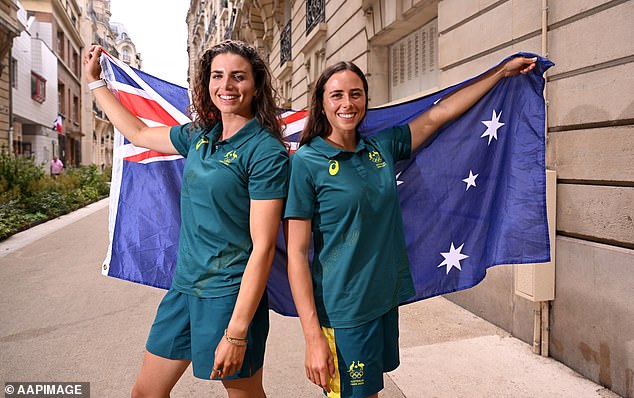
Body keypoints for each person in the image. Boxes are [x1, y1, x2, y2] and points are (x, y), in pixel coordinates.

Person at [284, 56, 536, 398]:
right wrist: (313, 337)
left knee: (369, 393)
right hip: (343, 309)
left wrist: (501, 74)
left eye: (356, 94)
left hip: (383, 299)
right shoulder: (306, 162)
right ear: (322, 103)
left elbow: (438, 116)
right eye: (337, 95)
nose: (348, 104)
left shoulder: (381, 147)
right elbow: (296, 254)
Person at [83, 40, 288, 398]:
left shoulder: (265, 151)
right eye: (217, 76)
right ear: (207, 84)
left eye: (238, 77)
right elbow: (140, 133)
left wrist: (237, 331)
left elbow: (263, 247)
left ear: (255, 85)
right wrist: (95, 83)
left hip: (227, 295)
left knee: (243, 394)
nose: (226, 85)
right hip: (183, 289)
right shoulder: (200, 137)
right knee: (145, 393)